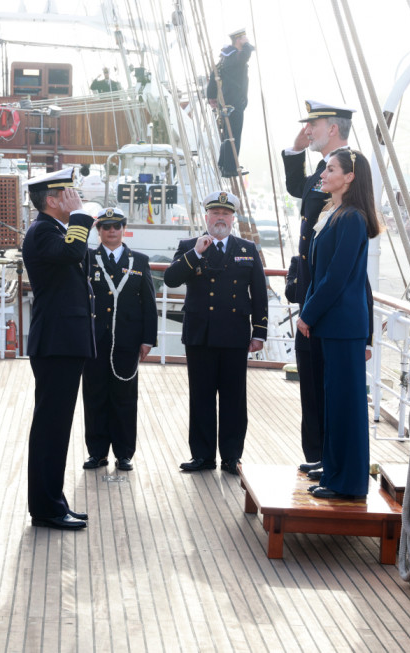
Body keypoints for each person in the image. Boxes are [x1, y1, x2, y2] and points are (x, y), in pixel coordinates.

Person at [296, 149, 381, 500]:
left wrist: (308, 313)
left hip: (344, 327)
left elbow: (337, 277)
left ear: (349, 177)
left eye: (331, 169)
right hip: (335, 326)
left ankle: (349, 483)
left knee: (347, 405)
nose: (324, 174)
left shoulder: (352, 219)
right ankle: (333, 473)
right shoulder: (335, 214)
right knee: (334, 403)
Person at [163, 190, 267, 475]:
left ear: (232, 218)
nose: (220, 218)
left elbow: (259, 293)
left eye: (226, 213)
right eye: (215, 213)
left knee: (234, 399)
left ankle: (232, 457)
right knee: (201, 397)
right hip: (200, 334)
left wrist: (259, 332)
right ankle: (203, 456)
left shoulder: (247, 249)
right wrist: (196, 252)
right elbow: (171, 279)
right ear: (206, 217)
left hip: (234, 335)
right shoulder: (189, 245)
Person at [282, 100, 354, 476]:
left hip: (326, 291)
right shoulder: (325, 172)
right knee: (310, 378)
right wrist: (296, 148)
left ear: (335, 128)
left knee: (325, 381)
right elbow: (299, 187)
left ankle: (328, 458)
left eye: (315, 124)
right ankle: (316, 455)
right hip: (310, 285)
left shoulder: (346, 170)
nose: (309, 130)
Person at [22, 167, 96, 530]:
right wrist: (82, 214)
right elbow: (71, 254)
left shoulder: (53, 230)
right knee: (51, 428)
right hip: (56, 343)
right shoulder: (41, 232)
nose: (74, 196)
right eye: (67, 192)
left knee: (57, 427)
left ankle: (54, 501)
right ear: (51, 200)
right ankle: (46, 507)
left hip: (64, 342)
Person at [81, 207, 157, 472]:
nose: (111, 231)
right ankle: (97, 453)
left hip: (127, 341)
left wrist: (148, 340)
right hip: (94, 341)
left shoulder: (140, 260)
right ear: (98, 231)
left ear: (123, 229)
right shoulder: (87, 259)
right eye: (106, 227)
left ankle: (124, 454)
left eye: (116, 227)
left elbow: (149, 303)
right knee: (95, 397)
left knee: (125, 398)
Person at [206, 29, 255, 177]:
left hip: (227, 101)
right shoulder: (234, 55)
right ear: (238, 40)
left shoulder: (224, 57)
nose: (246, 39)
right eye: (244, 38)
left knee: (228, 135)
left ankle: (223, 164)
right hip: (234, 101)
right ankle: (230, 168)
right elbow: (245, 56)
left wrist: (211, 96)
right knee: (234, 135)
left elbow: (214, 75)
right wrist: (247, 45)